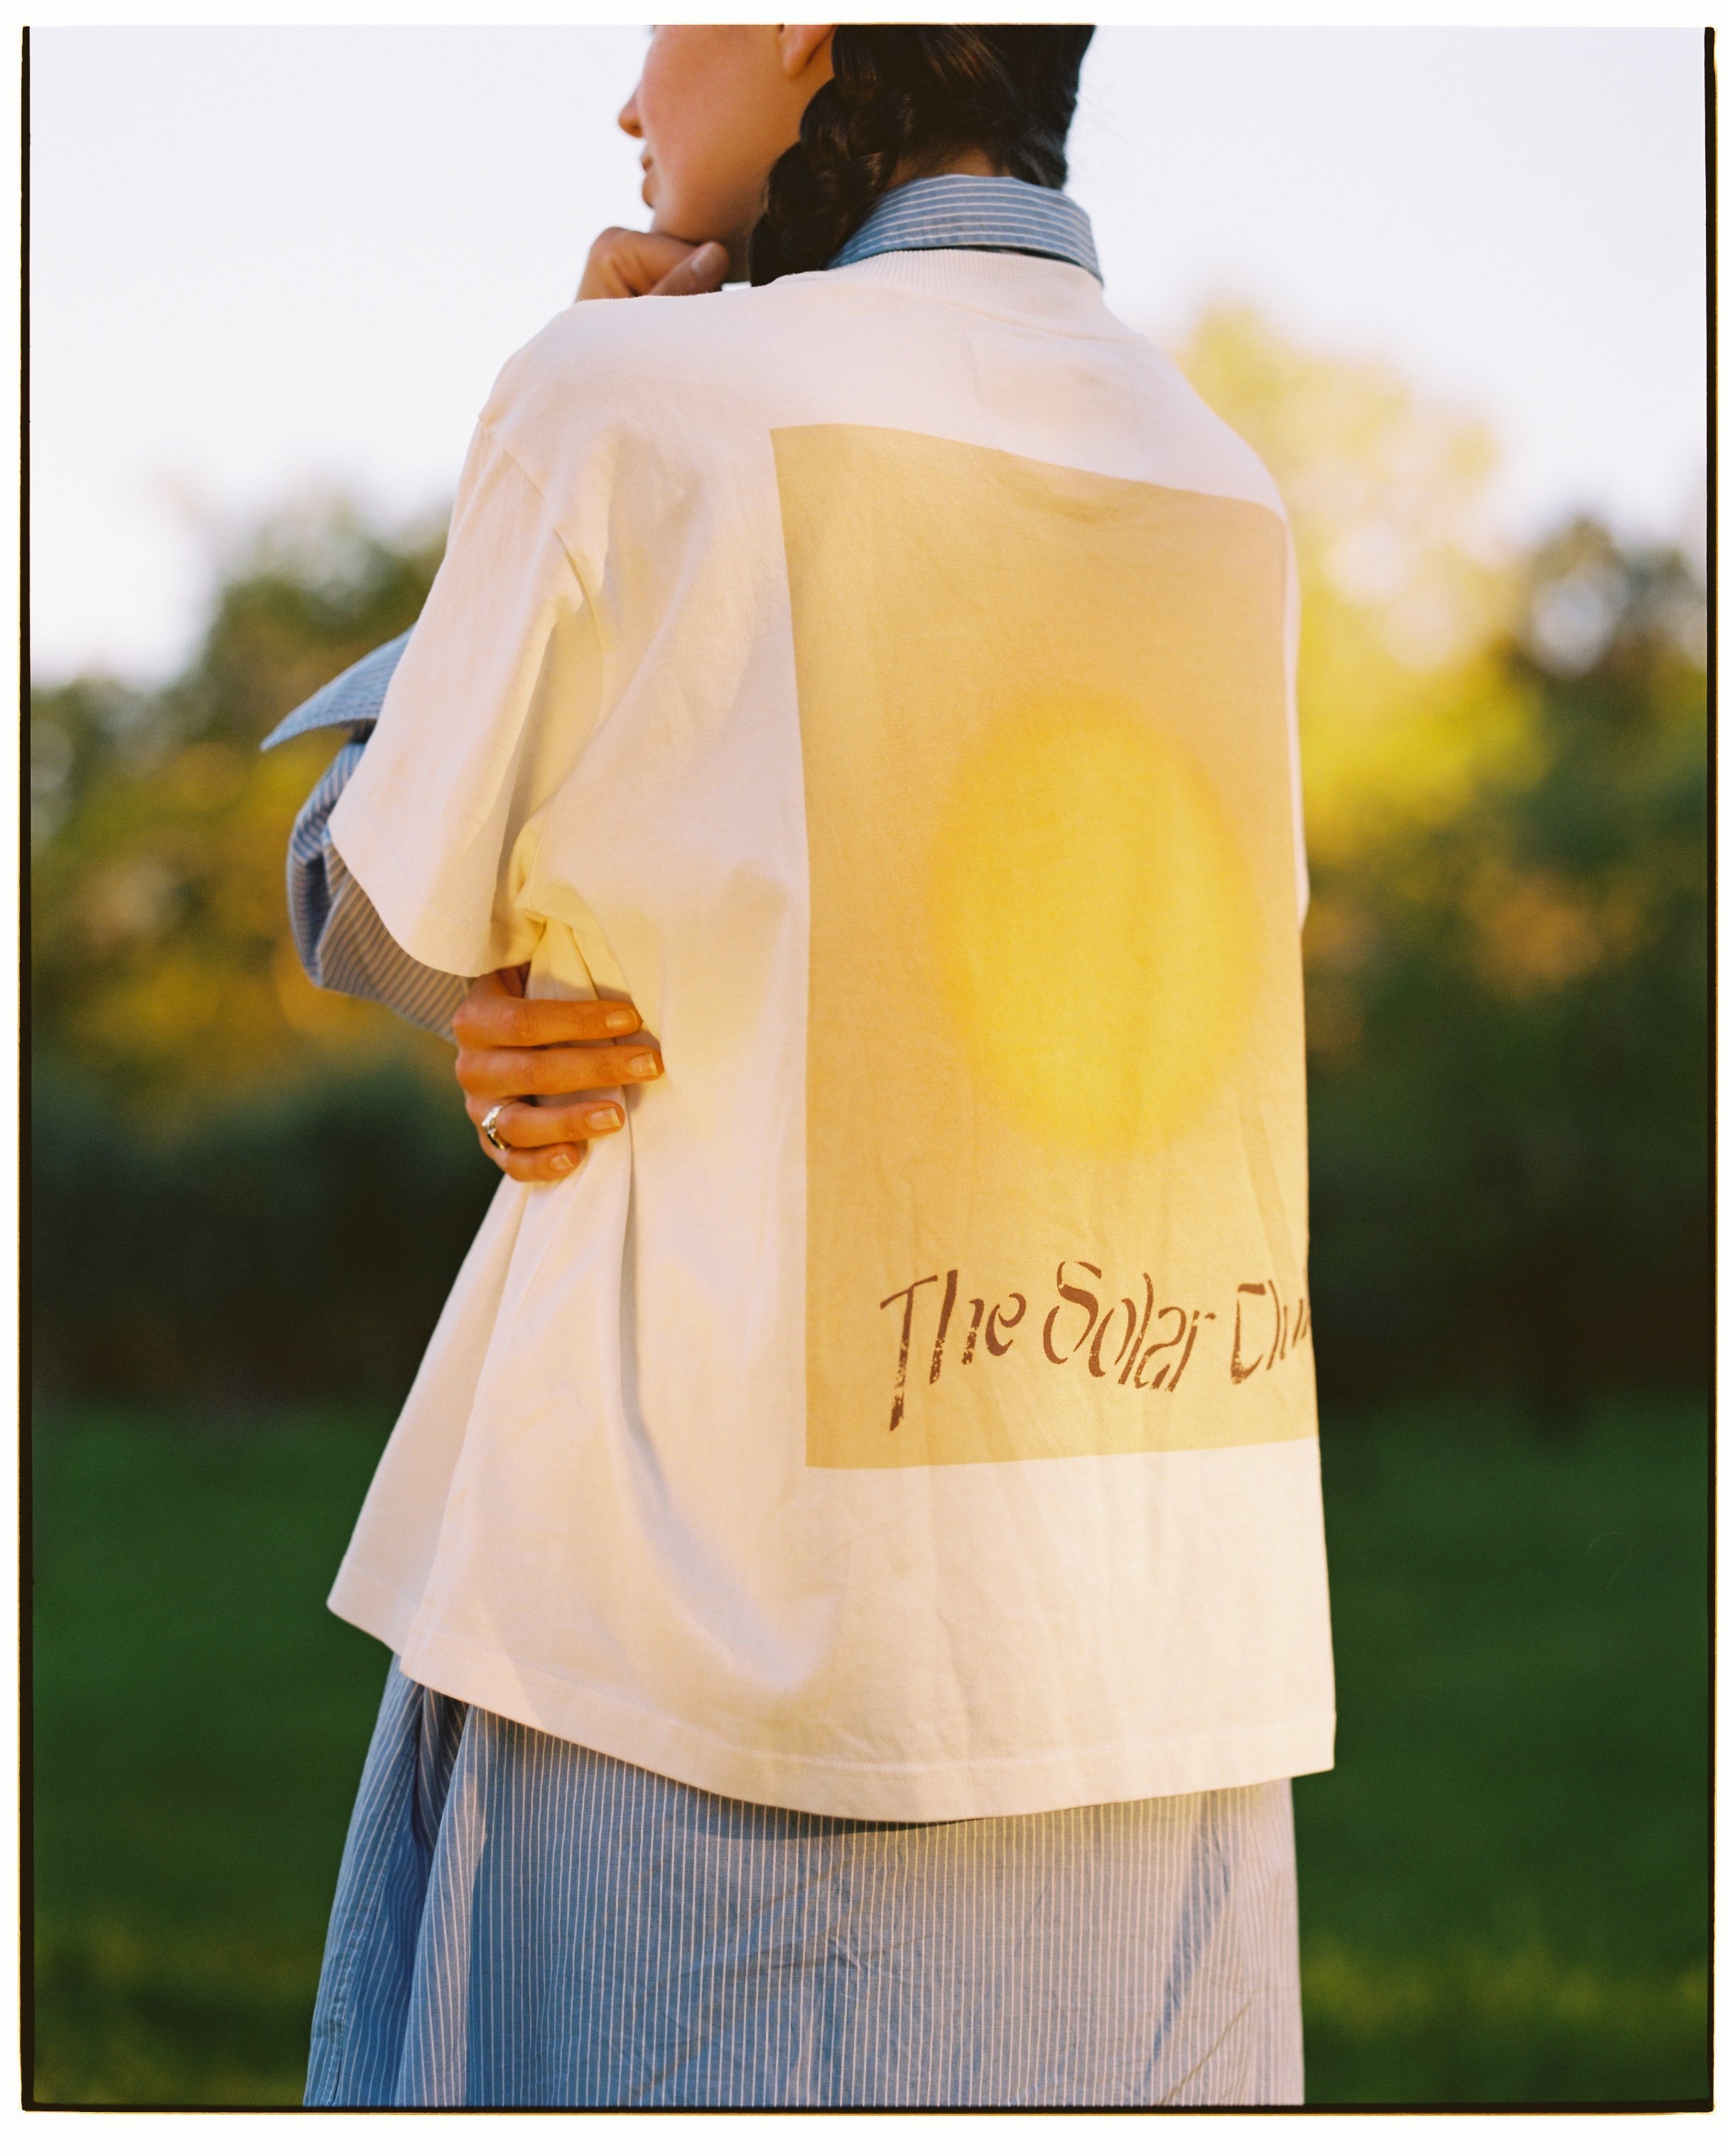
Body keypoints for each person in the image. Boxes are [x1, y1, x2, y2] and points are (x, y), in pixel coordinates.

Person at [275, 24, 1334, 2109]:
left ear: (797, 27)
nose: (623, 100)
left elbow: (380, 903)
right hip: (1138, 1657)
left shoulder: (621, 393)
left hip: (678, 1652)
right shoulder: (1226, 477)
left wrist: (538, 453)